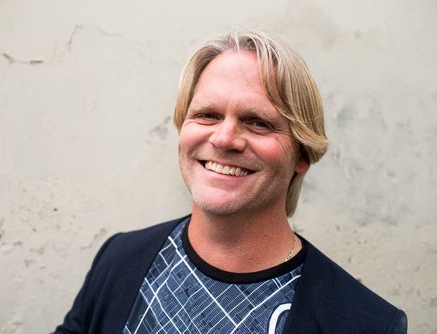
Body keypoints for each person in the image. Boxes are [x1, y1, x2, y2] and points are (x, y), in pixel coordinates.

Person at [54, 30, 407, 333]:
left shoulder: (365, 323)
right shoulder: (119, 259)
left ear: (302, 155)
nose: (224, 139)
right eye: (207, 115)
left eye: (258, 122)